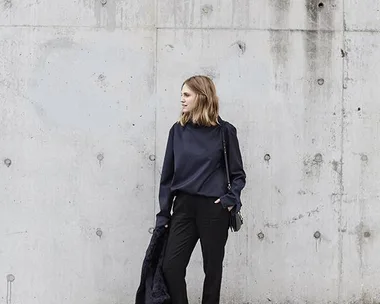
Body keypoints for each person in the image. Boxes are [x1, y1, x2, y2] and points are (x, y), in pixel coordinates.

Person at [156, 75, 246, 304]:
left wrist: (229, 200)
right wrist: (164, 213)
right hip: (184, 207)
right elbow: (167, 177)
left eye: (186, 95)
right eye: (181, 95)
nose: (182, 100)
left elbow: (238, 175)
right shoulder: (177, 131)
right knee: (171, 267)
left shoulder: (225, 132)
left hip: (213, 209)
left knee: (212, 270)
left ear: (202, 97)